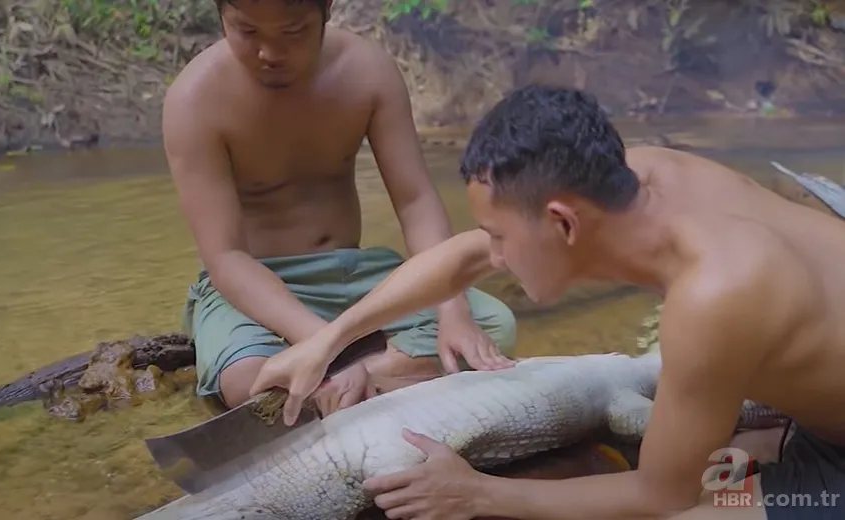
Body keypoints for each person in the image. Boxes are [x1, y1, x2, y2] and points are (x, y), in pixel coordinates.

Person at [249, 85, 845, 519]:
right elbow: (462, 259)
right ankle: (779, 450)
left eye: (502, 237)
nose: (495, 256)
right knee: (722, 464)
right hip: (820, 412)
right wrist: (328, 340)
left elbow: (662, 495)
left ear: (561, 223)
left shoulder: (715, 296)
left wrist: (477, 492)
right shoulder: (641, 176)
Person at [161, 0, 517, 414]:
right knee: (245, 382)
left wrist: (452, 307)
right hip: (253, 285)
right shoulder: (195, 100)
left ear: (327, 9)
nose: (270, 53)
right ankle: (382, 376)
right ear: (221, 14)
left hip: (354, 275)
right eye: (247, 32)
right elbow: (226, 257)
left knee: (493, 326)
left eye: (293, 32)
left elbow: (415, 200)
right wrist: (324, 347)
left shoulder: (367, 72)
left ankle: (347, 388)